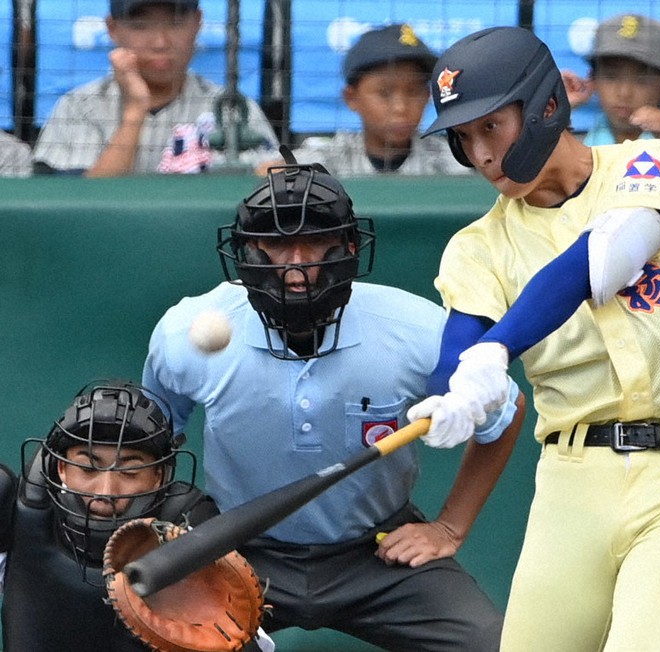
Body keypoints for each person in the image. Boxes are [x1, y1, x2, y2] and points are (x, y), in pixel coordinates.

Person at [420, 26, 660, 652]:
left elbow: (604, 256)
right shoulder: (477, 246)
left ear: (545, 105)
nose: (481, 154)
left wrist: (497, 351)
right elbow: (457, 355)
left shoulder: (655, 163)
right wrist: (453, 393)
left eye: (490, 126)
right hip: (573, 481)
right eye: (464, 138)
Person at [143, 160, 525, 651]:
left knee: (493, 644)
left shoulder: (416, 330)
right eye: (277, 243)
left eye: (315, 241)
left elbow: (505, 414)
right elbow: (152, 440)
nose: (296, 264)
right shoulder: (186, 332)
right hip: (238, 552)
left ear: (347, 247)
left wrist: (449, 527)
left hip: (377, 551)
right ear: (249, 250)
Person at [0, 381, 275, 651]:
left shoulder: (189, 529)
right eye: (87, 469)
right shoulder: (18, 515)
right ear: (62, 468)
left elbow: (236, 636)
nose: (105, 492)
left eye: (129, 472)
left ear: (158, 476)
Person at [32, 0, 280, 176]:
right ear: (112, 29)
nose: (160, 42)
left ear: (197, 23)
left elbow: (267, 193)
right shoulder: (80, 107)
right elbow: (79, 205)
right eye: (141, 26)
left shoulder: (231, 107)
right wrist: (135, 109)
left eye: (174, 23)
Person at [291, 23, 471, 176]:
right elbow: (275, 168)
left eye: (414, 91)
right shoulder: (327, 159)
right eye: (384, 93)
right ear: (351, 98)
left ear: (428, 96)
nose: (400, 107)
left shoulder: (450, 163)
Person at [561, 14, 660, 175]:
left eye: (641, 80)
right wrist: (559, 110)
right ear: (592, 80)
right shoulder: (571, 148)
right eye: (611, 77)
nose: (624, 93)